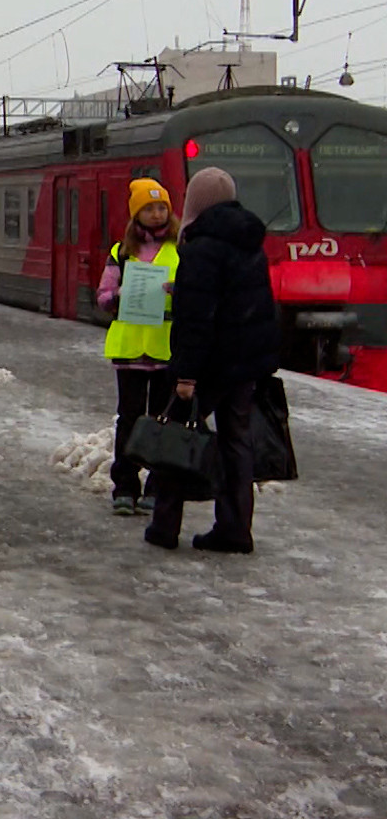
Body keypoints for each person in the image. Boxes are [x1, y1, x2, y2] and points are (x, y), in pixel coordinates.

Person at [144, 167, 280, 553]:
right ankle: (236, 529)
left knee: (175, 434)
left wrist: (186, 374)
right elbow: (245, 300)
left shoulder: (201, 246)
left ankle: (165, 527)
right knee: (237, 443)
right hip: (245, 362)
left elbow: (197, 318)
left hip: (210, 363)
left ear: (195, 203)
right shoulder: (249, 241)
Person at [95, 178, 180, 518]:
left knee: (161, 421)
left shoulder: (180, 249)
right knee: (129, 419)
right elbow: (102, 296)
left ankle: (156, 487)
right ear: (137, 214)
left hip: (165, 350)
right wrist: (118, 297)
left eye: (162, 208)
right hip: (130, 350)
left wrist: (179, 291)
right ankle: (125, 487)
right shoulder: (121, 252)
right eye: (149, 208)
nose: (157, 214)